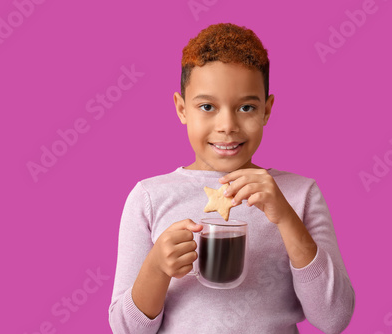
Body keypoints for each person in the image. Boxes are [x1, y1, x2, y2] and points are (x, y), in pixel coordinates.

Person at [109, 22, 355, 334]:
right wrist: (156, 268)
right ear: (182, 108)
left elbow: (334, 318)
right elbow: (125, 329)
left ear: (266, 111)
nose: (227, 125)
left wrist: (287, 220)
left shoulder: (300, 195)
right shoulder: (148, 198)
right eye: (207, 106)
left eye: (246, 107)